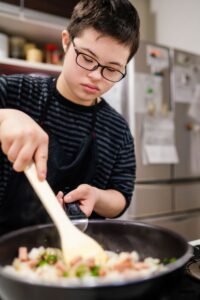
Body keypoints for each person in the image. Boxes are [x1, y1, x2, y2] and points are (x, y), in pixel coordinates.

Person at [0, 0, 140, 234]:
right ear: (66, 41)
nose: (96, 76)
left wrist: (97, 196)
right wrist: (4, 118)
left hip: (78, 254)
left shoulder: (118, 129)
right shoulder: (16, 91)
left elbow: (121, 195)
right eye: (86, 57)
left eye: (112, 69)